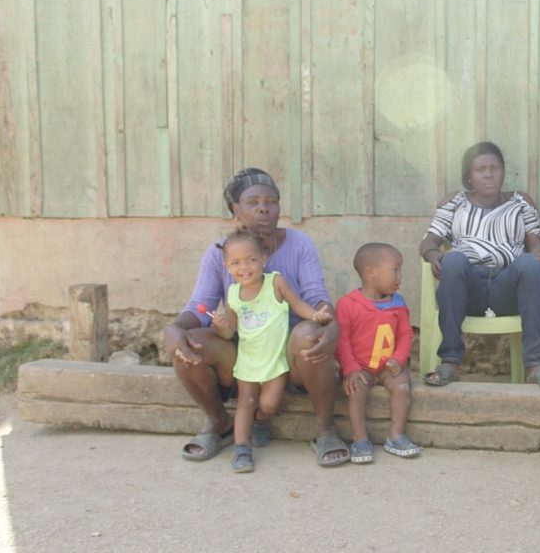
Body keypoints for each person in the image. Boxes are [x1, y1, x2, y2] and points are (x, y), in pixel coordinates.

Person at [165, 168, 351, 467]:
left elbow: (316, 296)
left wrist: (330, 323)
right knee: (188, 343)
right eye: (253, 202)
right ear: (235, 209)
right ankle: (218, 423)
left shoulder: (299, 244)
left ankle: (326, 431)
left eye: (271, 201)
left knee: (309, 334)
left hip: (289, 354)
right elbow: (201, 305)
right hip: (244, 351)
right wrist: (174, 328)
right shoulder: (219, 254)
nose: (264, 208)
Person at [418, 141, 540, 388]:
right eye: (480, 169)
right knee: (453, 258)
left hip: (508, 287)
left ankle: (535, 366)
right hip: (468, 287)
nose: (488, 174)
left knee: (528, 263)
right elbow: (429, 241)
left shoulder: (521, 203)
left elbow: (536, 243)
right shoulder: (453, 203)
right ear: (469, 176)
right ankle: (450, 363)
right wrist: (434, 256)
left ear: (503, 172)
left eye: (494, 168)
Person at [209, 230, 334, 472]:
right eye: (235, 263)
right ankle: (242, 448)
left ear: (263, 259)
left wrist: (316, 315)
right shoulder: (233, 294)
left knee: (268, 404)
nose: (244, 267)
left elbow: (298, 305)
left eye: (251, 260)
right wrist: (220, 327)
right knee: (246, 402)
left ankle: (261, 421)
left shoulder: (275, 282)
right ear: (227, 267)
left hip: (275, 362)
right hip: (248, 361)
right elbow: (230, 332)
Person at [336, 242, 422, 463]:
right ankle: (360, 439)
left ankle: (396, 435)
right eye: (395, 269)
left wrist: (398, 358)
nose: (400, 275)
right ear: (371, 273)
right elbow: (342, 340)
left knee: (402, 384)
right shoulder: (348, 304)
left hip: (386, 366)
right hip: (361, 367)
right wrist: (351, 369)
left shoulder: (398, 304)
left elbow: (405, 335)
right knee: (356, 390)